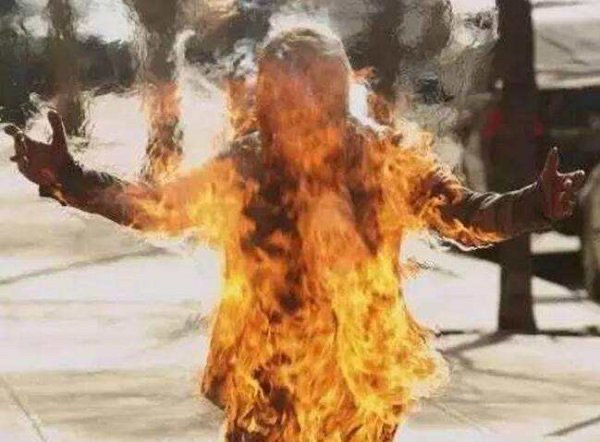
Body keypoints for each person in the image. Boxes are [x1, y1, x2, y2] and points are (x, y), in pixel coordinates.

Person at [4, 27, 585, 441]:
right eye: (283, 86)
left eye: (314, 84)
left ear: (336, 89)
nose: (298, 99)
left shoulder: (382, 155)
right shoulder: (248, 163)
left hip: (361, 381)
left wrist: (533, 205)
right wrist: (73, 180)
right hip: (261, 382)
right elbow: (160, 208)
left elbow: (464, 212)